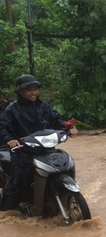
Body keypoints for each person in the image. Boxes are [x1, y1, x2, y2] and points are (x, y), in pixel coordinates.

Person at [0, 74, 77, 212]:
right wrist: (10, 139)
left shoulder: (44, 106)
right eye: (29, 90)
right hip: (23, 151)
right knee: (17, 181)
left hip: (46, 149)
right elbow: (3, 127)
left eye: (35, 89)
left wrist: (67, 127)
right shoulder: (12, 110)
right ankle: (5, 211)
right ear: (20, 92)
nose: (34, 92)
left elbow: (56, 120)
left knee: (65, 166)